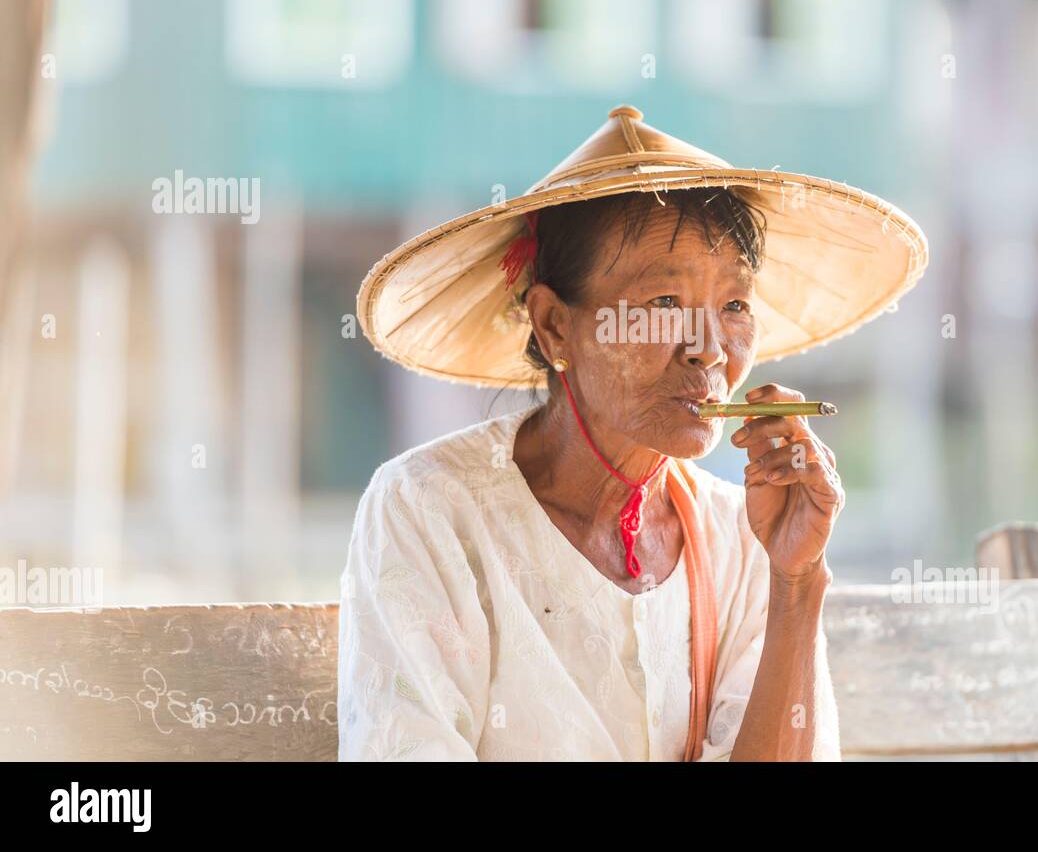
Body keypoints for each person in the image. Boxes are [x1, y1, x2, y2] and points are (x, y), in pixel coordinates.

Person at [338, 105, 928, 760]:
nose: (708, 348)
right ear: (555, 325)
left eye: (732, 305)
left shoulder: (745, 539)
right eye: (664, 304)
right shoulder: (431, 510)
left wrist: (796, 580)